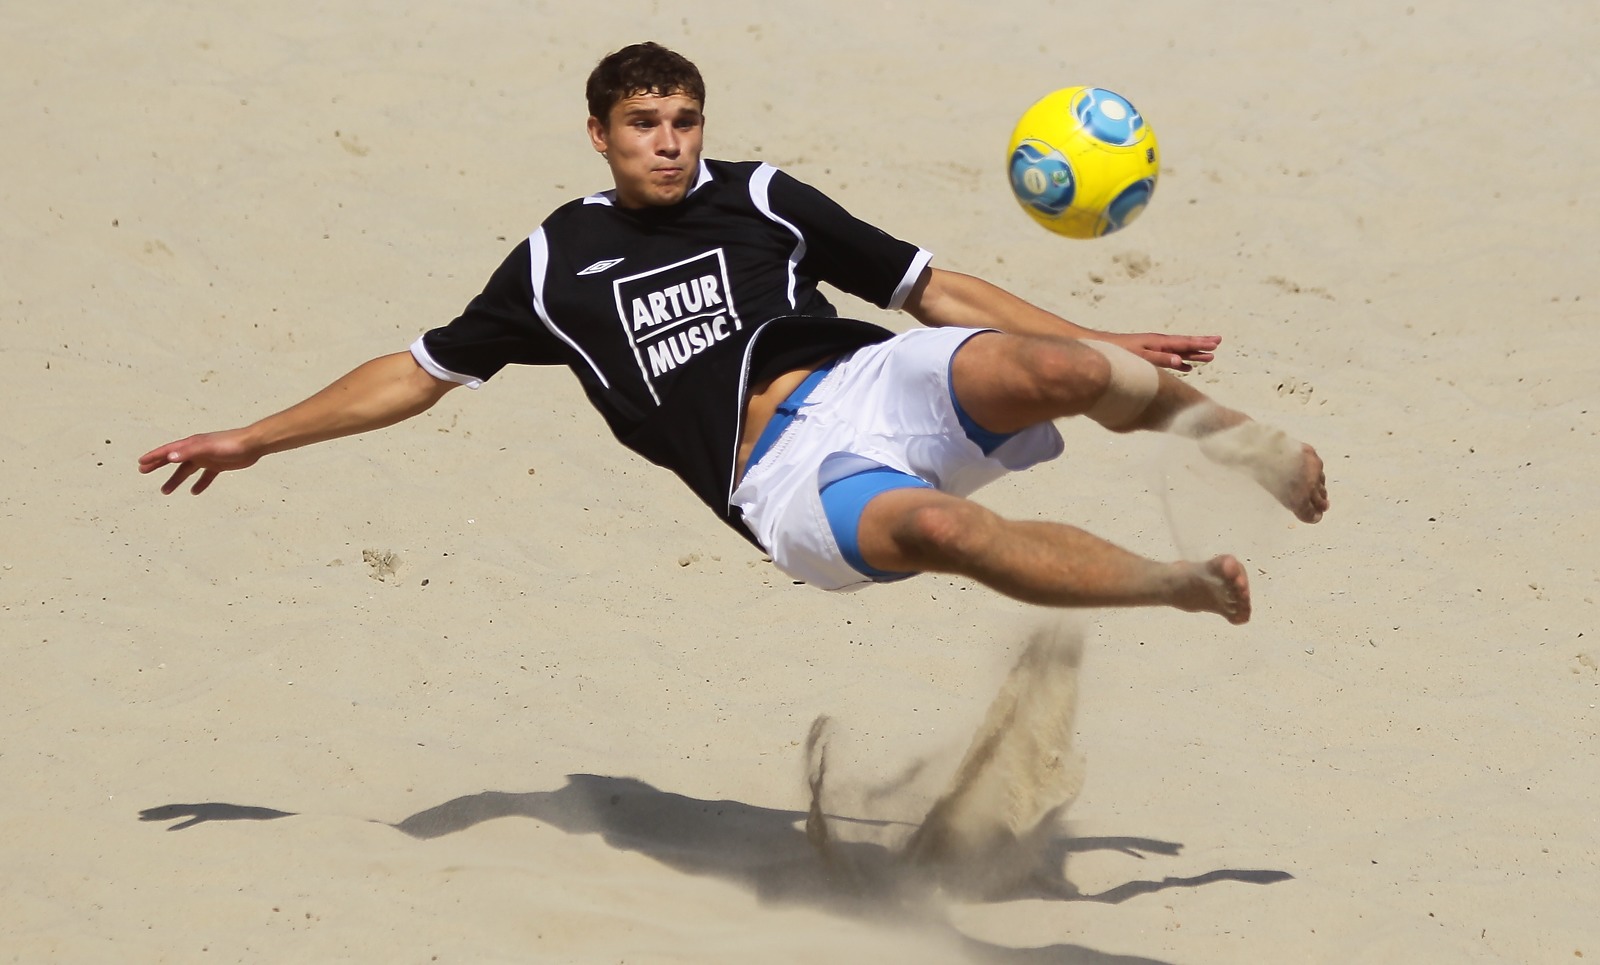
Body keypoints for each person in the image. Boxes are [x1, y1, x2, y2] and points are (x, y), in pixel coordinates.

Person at [140, 42, 1328, 624]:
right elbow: (421, 368)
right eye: (645, 122)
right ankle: (1175, 585)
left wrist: (1100, 331)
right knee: (943, 526)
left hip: (870, 381)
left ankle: (1247, 446)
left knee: (1069, 369)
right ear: (599, 134)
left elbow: (928, 286)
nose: (670, 140)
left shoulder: (758, 197)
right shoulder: (555, 263)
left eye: (686, 120)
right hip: (784, 475)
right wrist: (257, 435)